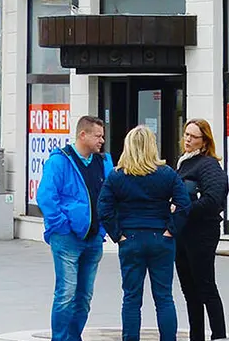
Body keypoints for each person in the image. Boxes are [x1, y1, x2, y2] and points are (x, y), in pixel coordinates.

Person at [99, 126, 191, 341]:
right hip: (161, 238)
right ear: (152, 146)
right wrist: (171, 230)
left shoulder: (117, 175)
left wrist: (117, 234)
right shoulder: (167, 174)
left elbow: (104, 208)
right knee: (164, 298)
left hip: (130, 238)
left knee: (131, 298)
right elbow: (184, 204)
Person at [36, 115, 113, 341]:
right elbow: (46, 197)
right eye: (98, 136)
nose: (101, 141)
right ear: (83, 135)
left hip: (94, 238)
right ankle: (60, 338)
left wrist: (103, 229)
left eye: (102, 137)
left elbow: (110, 195)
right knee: (66, 294)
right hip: (67, 238)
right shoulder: (60, 161)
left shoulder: (104, 162)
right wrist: (61, 225)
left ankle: (73, 336)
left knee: (84, 297)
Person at [176, 118, 229, 341]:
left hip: (202, 234)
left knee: (205, 286)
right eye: (186, 134)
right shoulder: (184, 162)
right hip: (183, 234)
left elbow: (214, 199)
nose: (187, 139)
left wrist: (183, 209)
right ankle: (195, 335)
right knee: (189, 291)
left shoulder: (208, 165)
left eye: (193, 136)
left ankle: (218, 335)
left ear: (204, 141)